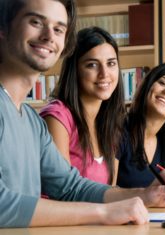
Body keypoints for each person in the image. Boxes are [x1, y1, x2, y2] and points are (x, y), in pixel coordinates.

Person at [0, 0, 165, 228]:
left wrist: (147, 194)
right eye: (36, 22)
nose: (49, 36)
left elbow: (70, 187)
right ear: (3, 28)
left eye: (59, 29)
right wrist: (103, 213)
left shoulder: (30, 120)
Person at [40, 27, 124, 185]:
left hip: (98, 210)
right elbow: (63, 191)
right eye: (92, 65)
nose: (104, 74)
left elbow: (108, 191)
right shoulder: (57, 117)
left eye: (111, 63)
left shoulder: (108, 123)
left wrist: (152, 191)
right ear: (75, 70)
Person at [117, 62, 165, 191]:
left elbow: (154, 190)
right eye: (163, 83)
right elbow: (105, 191)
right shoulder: (118, 130)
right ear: (147, 86)